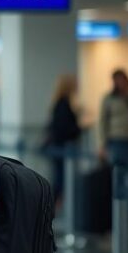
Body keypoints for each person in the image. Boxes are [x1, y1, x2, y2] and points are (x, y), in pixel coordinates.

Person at [44, 74, 82, 206]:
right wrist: (79, 127)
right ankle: (49, 210)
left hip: (59, 147)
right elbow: (65, 128)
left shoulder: (59, 103)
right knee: (60, 181)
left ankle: (51, 210)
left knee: (60, 180)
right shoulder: (64, 105)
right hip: (62, 148)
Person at [100, 69, 128, 202]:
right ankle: (118, 211)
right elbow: (103, 122)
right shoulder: (109, 99)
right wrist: (103, 144)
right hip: (117, 141)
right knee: (118, 176)